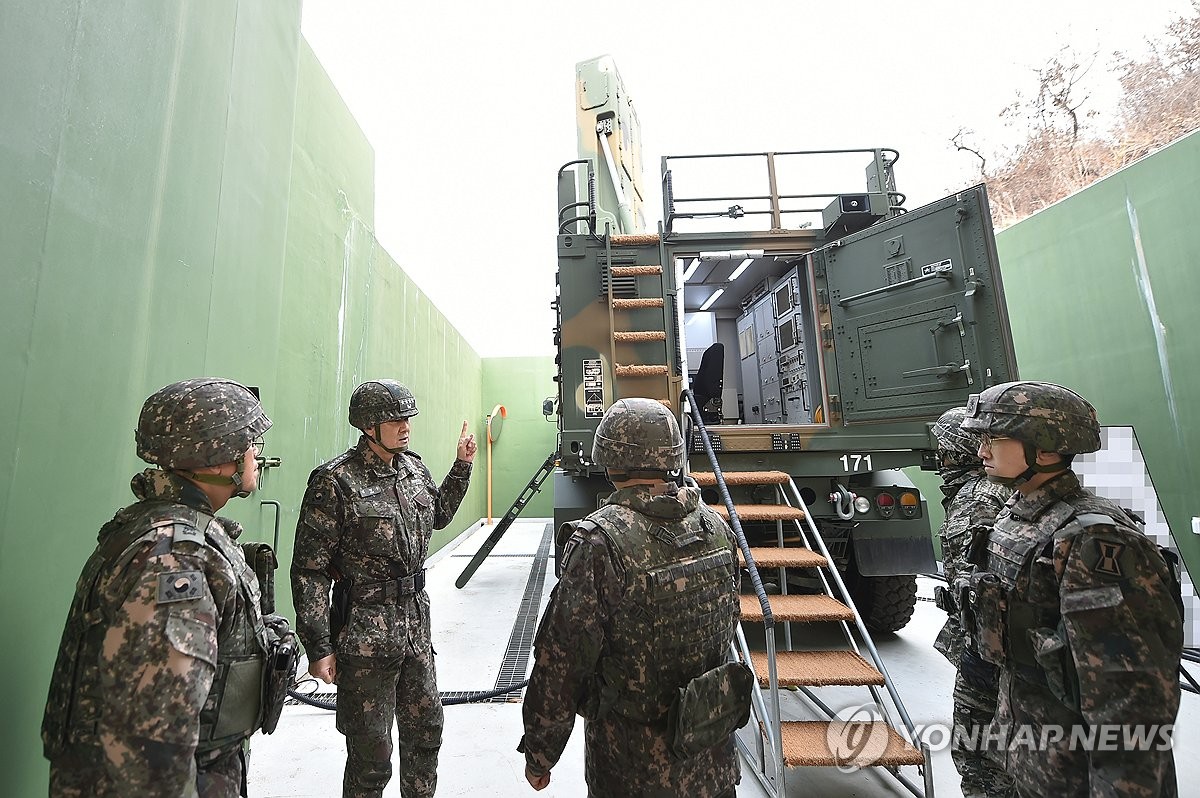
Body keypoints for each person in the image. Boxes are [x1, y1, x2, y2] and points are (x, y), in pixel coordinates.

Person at [42, 378, 277, 797]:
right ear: (219, 457)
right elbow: (153, 750)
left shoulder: (165, 528)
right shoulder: (173, 557)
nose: (255, 453)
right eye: (248, 442)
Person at [959, 381, 1182, 797]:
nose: (981, 452)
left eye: (995, 439)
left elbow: (1130, 697)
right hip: (1026, 757)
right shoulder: (1017, 518)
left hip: (1075, 773)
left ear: (1044, 450)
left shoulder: (1094, 540)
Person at [518, 398, 749, 797]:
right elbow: (728, 622)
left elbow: (562, 659)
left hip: (632, 771)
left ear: (610, 459)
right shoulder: (716, 527)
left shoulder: (600, 542)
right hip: (712, 762)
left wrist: (541, 753)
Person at [291, 379, 476, 798]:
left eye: (407, 417)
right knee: (371, 757)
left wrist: (461, 465)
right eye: (395, 419)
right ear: (369, 427)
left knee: (427, 733)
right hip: (365, 638)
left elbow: (440, 514)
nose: (405, 425)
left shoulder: (413, 469)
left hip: (414, 628)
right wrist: (319, 647)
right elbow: (310, 571)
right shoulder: (335, 482)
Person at [930, 406, 1015, 798]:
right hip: (1007, 648)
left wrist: (982, 655)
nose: (940, 461)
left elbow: (978, 587)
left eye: (945, 452)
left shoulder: (974, 500)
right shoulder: (1003, 488)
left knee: (978, 752)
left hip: (990, 650)